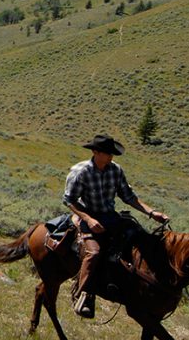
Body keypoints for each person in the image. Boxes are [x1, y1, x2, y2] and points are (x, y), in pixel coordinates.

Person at [63, 134, 168, 318]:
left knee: (139, 240)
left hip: (110, 216)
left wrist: (152, 213)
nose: (111, 157)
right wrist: (88, 219)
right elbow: (69, 200)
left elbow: (128, 197)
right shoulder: (81, 172)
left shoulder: (116, 170)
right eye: (107, 153)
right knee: (94, 253)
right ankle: (84, 294)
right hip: (88, 216)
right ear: (95, 152)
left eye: (112, 153)